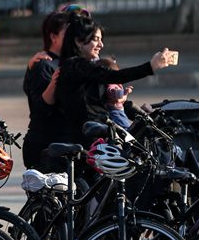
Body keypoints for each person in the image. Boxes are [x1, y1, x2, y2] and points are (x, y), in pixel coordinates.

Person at [55, 16, 176, 144]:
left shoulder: (81, 66)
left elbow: (110, 97)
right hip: (89, 140)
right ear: (78, 41)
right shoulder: (75, 66)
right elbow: (115, 76)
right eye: (96, 39)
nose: (101, 45)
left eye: (101, 40)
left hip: (99, 134)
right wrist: (151, 66)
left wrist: (140, 112)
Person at [21, 9, 77, 169]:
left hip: (66, 144)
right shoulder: (44, 65)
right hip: (47, 147)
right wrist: (54, 82)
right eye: (68, 32)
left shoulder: (71, 62)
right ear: (53, 37)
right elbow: (41, 109)